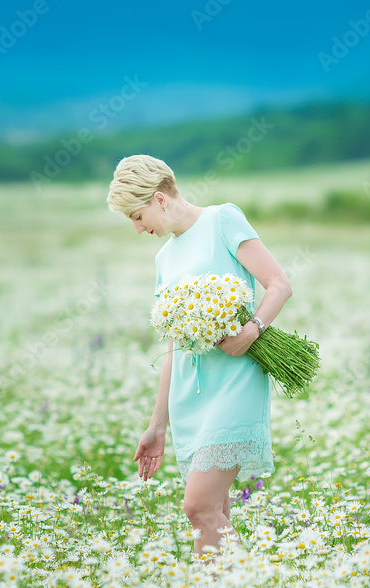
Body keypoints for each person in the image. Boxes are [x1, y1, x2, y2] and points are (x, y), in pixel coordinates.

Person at [106, 154, 293, 560]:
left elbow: (279, 284)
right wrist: (157, 425)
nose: (139, 230)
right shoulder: (164, 259)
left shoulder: (222, 220)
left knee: (198, 507)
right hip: (190, 396)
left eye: (137, 217)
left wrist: (252, 330)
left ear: (159, 199)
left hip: (236, 382)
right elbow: (174, 347)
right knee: (215, 511)